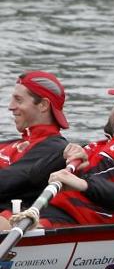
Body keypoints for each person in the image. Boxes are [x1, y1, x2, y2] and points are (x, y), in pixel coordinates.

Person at [33, 83, 114, 227]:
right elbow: (33, 177)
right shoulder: (100, 145)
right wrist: (62, 157)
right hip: (40, 210)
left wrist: (84, 184)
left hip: (69, 223)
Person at [0, 71, 70, 211]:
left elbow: (5, 182)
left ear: (43, 105)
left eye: (18, 100)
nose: (11, 106)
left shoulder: (54, 150)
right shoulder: (15, 143)